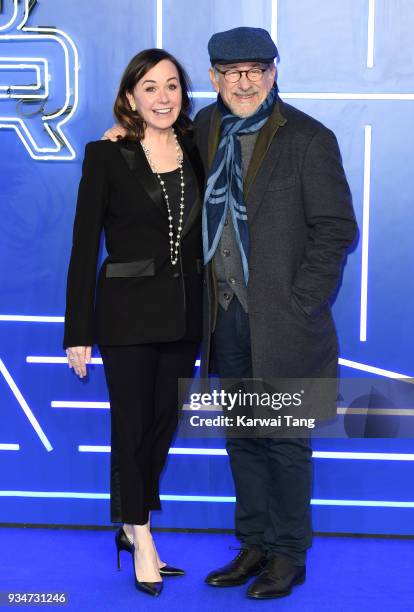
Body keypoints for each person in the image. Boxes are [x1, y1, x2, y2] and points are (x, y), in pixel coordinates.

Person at [104, 27, 357, 600]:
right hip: (222, 321)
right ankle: (254, 544)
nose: (244, 82)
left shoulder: (310, 139)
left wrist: (300, 301)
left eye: (255, 70)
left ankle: (289, 555)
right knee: (243, 436)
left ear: (273, 73)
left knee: (286, 442)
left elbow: (337, 229)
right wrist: (123, 133)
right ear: (214, 79)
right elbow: (153, 146)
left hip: (286, 323)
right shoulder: (206, 129)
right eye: (231, 72)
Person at [64, 48, 205, 597]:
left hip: (187, 313)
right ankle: (141, 535)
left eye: (171, 86)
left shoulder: (199, 147)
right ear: (130, 97)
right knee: (130, 426)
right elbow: (82, 247)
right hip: (125, 315)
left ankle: (131, 519)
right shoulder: (106, 155)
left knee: (162, 425)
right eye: (150, 87)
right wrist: (78, 329)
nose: (163, 96)